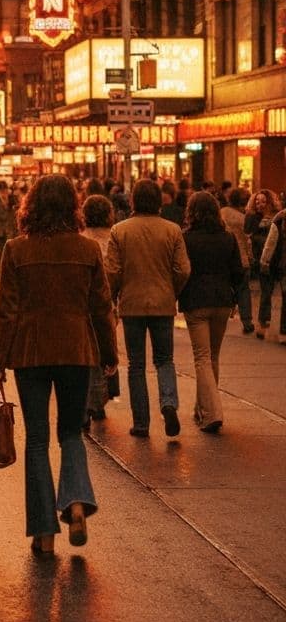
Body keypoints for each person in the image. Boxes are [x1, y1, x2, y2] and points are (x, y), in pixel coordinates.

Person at [0, 175, 118, 556]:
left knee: (37, 439)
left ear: (31, 207)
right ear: (71, 207)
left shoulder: (16, 250)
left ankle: (43, 531)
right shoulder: (87, 250)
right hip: (76, 352)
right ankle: (75, 502)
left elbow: (7, 311)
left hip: (30, 353)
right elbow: (101, 309)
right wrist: (109, 356)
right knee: (71, 433)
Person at [105, 179, 191, 438]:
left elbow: (112, 271)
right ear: (159, 200)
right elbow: (183, 269)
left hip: (131, 305)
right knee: (165, 360)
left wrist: (114, 296)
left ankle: (141, 423)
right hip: (163, 303)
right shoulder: (172, 230)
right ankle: (168, 402)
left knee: (136, 365)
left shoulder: (120, 231)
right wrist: (171, 290)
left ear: (133, 201)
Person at [179, 192, 245, 433]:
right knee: (212, 356)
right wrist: (235, 298)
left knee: (201, 357)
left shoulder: (187, 239)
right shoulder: (227, 238)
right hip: (222, 300)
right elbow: (238, 272)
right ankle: (202, 408)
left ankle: (212, 413)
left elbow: (181, 269)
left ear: (191, 212)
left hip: (196, 301)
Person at [81, 193, 117, 426]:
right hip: (108, 302)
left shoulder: (82, 239)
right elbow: (116, 271)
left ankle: (89, 401)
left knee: (89, 352)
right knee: (106, 348)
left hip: (84, 304)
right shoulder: (114, 238)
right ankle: (100, 399)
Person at [245, 189, 279, 338]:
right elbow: (248, 236)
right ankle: (263, 323)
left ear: (270, 202)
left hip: (276, 259)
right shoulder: (252, 218)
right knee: (266, 291)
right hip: (262, 260)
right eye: (257, 201)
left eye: (263, 201)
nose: (260, 204)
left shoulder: (277, 219)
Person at [221, 188, 254, 334]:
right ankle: (247, 321)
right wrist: (251, 257)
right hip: (242, 260)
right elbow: (248, 241)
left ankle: (221, 317)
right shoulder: (243, 219)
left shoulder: (221, 213)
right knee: (243, 290)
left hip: (224, 258)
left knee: (224, 287)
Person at [258, 204, 286, 345]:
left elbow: (271, 242)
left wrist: (264, 261)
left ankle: (283, 331)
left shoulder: (280, 218)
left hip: (281, 263)